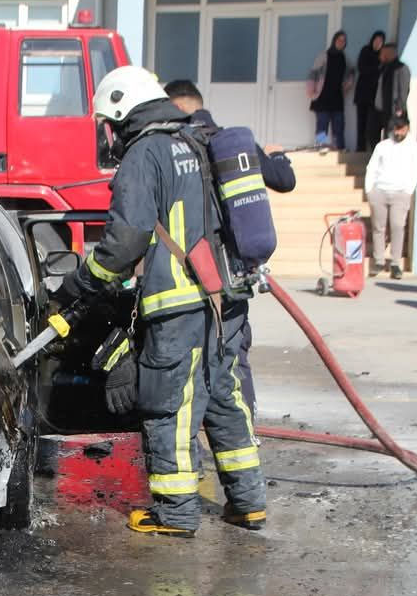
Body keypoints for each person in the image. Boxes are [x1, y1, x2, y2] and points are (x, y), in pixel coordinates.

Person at [56, 66, 266, 538]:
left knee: (168, 406)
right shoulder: (195, 141)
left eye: (108, 125)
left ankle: (174, 514)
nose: (108, 136)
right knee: (224, 398)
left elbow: (124, 242)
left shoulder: (144, 154)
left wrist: (81, 285)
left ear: (120, 114)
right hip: (224, 300)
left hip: (178, 304)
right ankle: (249, 503)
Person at [164, 78, 296, 421]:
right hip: (234, 274)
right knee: (234, 357)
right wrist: (279, 155)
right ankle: (244, 431)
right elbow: (284, 180)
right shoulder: (232, 143)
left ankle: (191, 434)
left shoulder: (173, 147)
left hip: (188, 274)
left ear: (178, 107)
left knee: (188, 357)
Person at [365, 116, 417, 279]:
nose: (398, 132)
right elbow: (372, 167)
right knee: (378, 227)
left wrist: (408, 190)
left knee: (397, 226)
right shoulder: (383, 146)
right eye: (396, 129)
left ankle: (396, 262)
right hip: (380, 191)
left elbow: (414, 170)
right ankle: (379, 260)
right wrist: (370, 190)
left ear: (407, 128)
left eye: (401, 129)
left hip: (400, 192)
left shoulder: (413, 147)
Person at [308, 31, 355, 150]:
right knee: (322, 126)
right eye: (339, 40)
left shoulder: (344, 57)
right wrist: (312, 91)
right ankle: (320, 149)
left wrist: (347, 85)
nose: (341, 42)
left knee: (338, 127)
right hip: (322, 97)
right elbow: (313, 73)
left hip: (337, 97)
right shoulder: (324, 55)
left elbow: (352, 71)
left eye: (344, 41)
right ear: (334, 41)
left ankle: (339, 150)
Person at [367, 43, 410, 154]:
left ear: (389, 54)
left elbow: (404, 91)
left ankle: (386, 159)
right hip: (377, 109)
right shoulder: (382, 68)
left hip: (392, 110)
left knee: (390, 138)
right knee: (372, 133)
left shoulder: (401, 69)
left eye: (382, 53)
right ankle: (376, 156)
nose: (380, 56)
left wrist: (399, 109)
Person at [354, 31, 386, 153]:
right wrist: (376, 69)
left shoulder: (382, 56)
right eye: (376, 40)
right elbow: (362, 68)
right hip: (362, 95)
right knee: (361, 123)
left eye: (380, 41)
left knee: (372, 125)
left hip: (374, 97)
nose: (377, 43)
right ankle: (360, 148)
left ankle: (372, 150)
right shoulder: (365, 51)